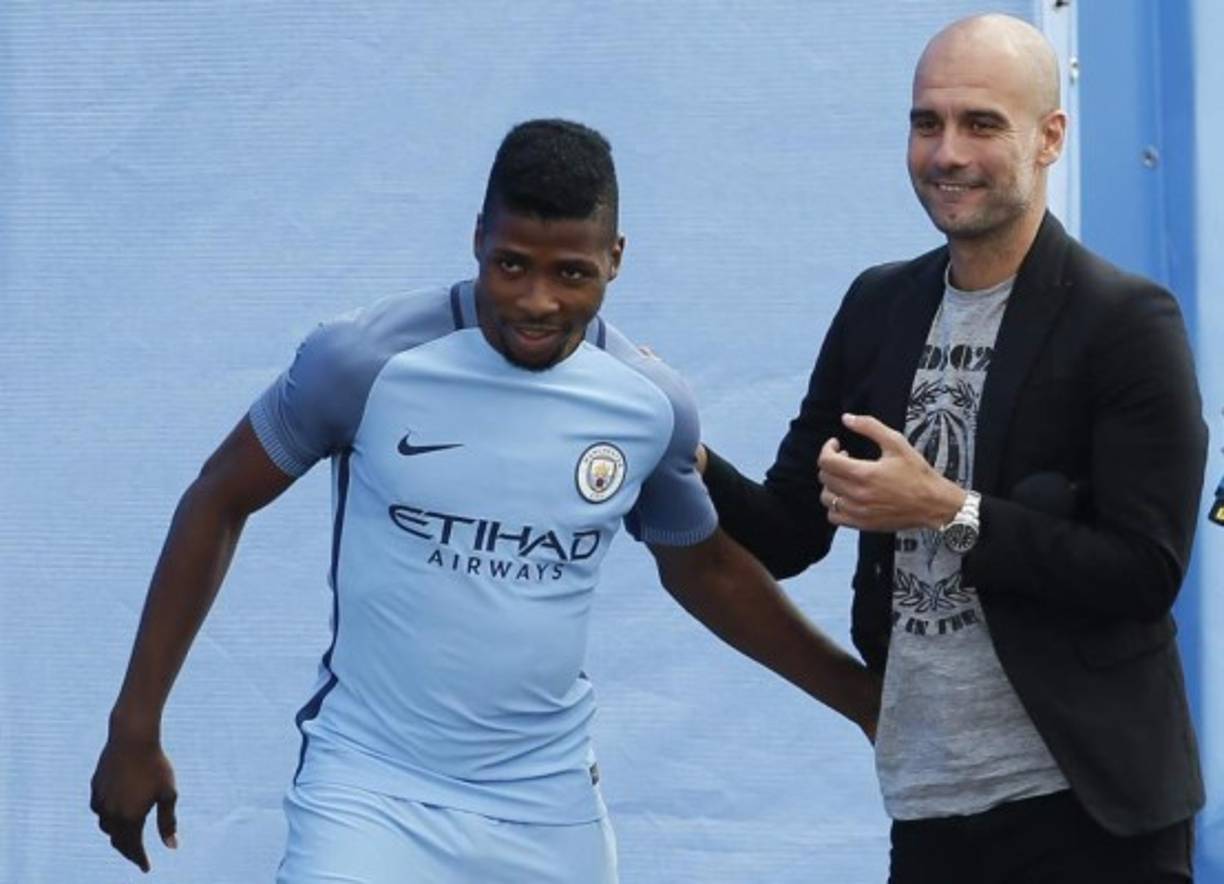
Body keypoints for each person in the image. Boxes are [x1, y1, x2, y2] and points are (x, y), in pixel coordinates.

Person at [89, 119, 878, 882]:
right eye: (510, 265)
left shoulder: (648, 404)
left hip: (549, 806)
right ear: (477, 239)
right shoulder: (363, 363)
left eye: (571, 272)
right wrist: (135, 724)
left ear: (616, 259)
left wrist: (860, 699)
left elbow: (705, 570)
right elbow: (218, 499)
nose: (536, 301)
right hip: (370, 790)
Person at [698, 14, 1207, 884]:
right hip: (929, 804)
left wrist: (946, 509)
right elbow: (788, 531)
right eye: (926, 123)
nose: (946, 153)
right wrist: (679, 449)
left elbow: (1143, 570)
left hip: (1091, 812)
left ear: (1050, 138)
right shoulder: (877, 307)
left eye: (981, 124)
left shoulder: (1125, 322)